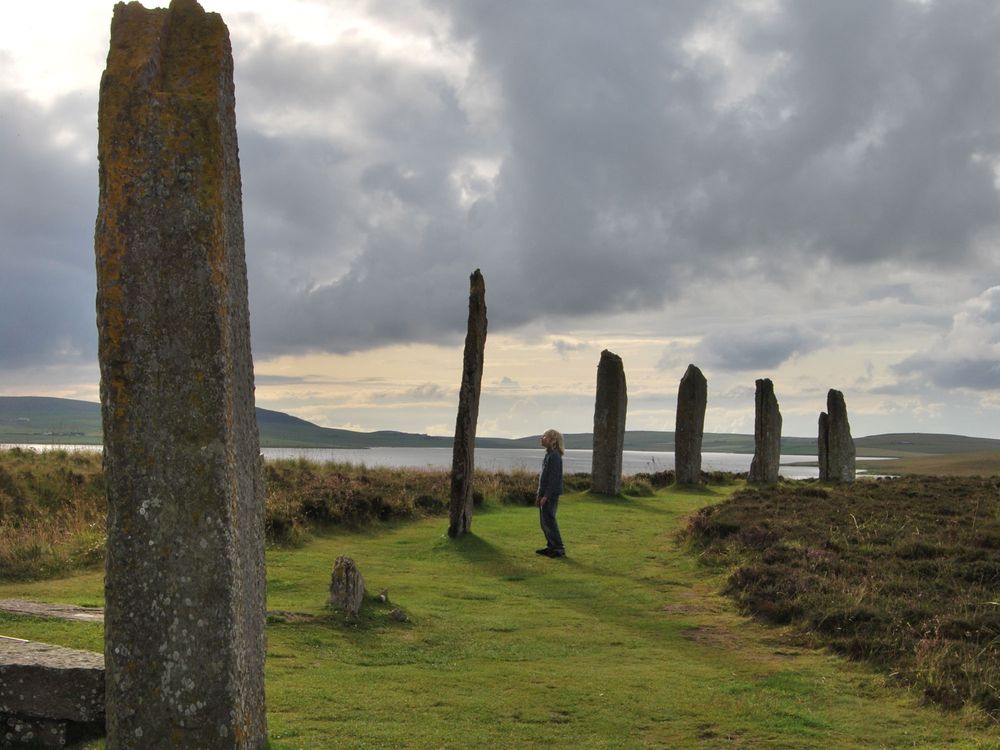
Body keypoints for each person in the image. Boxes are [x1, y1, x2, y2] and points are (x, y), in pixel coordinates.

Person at [536, 428, 566, 558]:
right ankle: (551, 546)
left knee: (549, 520)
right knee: (545, 522)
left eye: (544, 436)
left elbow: (553, 479)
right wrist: (539, 494)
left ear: (553, 440)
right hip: (545, 494)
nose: (541, 438)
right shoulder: (549, 454)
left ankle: (558, 549)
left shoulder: (554, 456)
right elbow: (544, 477)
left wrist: (546, 496)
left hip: (550, 494)